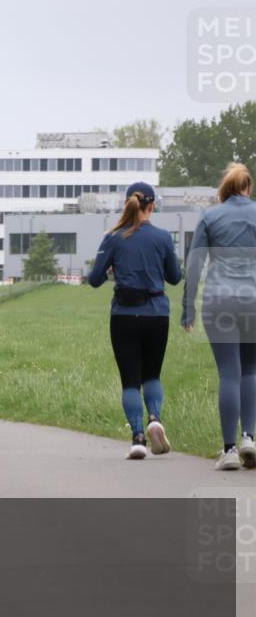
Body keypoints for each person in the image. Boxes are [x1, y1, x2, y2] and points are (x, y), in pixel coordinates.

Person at [88, 181, 181, 460]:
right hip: (157, 315)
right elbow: (174, 277)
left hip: (124, 317)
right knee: (152, 374)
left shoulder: (113, 237)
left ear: (127, 203)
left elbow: (94, 280)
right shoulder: (163, 237)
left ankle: (138, 438)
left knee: (130, 381)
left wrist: (112, 272)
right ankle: (155, 418)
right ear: (152, 206)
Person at [182, 163, 256, 471]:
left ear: (224, 190)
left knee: (229, 371)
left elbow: (195, 264)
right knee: (250, 369)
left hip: (219, 299)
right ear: (248, 188)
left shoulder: (210, 216)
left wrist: (188, 308)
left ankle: (228, 450)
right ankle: (249, 437)